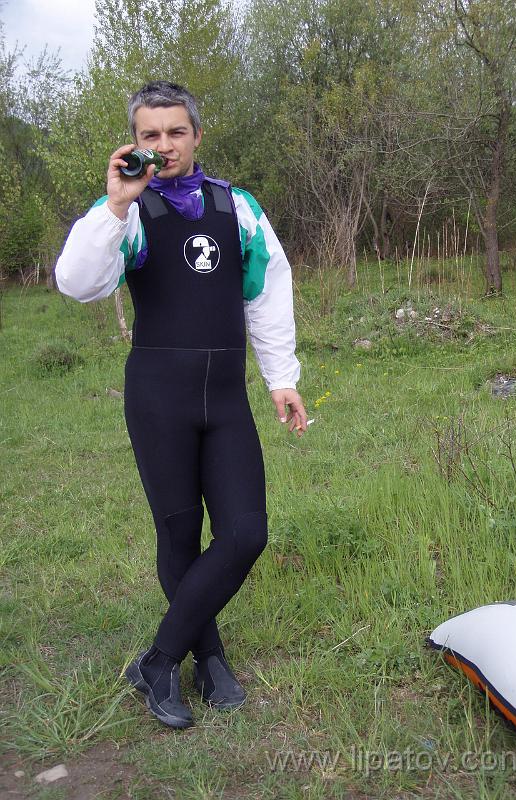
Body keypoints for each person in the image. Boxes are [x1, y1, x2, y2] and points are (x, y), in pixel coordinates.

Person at [54, 81, 308, 729]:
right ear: (134, 141)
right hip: (157, 398)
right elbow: (77, 283)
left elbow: (266, 289)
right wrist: (116, 205)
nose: (163, 145)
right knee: (179, 534)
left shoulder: (236, 206)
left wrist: (281, 377)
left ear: (196, 135)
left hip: (224, 399)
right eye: (150, 135)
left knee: (246, 532)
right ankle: (209, 657)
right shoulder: (129, 211)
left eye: (175, 132)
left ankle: (158, 659)